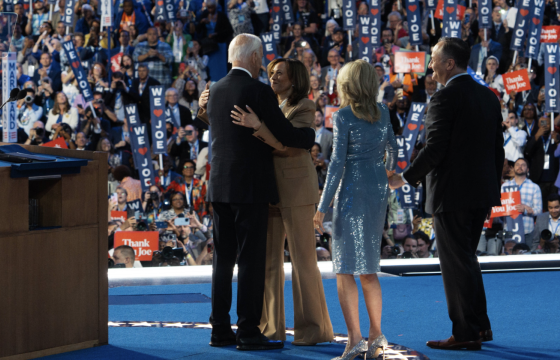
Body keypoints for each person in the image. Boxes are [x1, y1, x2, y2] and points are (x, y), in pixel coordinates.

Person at [197, 34, 315, 351]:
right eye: (261, 58)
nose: (263, 64)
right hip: (250, 188)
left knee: (222, 260)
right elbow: (287, 134)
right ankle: (248, 331)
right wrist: (310, 135)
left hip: (219, 186)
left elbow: (213, 127)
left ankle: (219, 330)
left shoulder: (214, 89)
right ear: (254, 58)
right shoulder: (258, 91)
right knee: (250, 260)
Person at [389, 37, 504, 351]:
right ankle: (479, 327)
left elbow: (434, 148)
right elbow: (498, 151)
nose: (430, 66)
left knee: (455, 263)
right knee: (466, 258)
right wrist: (490, 188)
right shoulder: (489, 96)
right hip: (481, 192)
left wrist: (403, 178)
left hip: (452, 194)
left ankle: (465, 332)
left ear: (449, 63)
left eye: (434, 59)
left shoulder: (444, 98)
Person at [212, 58, 333, 345]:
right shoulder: (262, 98)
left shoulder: (304, 105)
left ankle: (312, 330)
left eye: (281, 73)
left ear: (295, 79)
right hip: (265, 188)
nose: (274, 77)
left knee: (304, 261)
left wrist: (259, 127)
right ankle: (269, 327)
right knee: (266, 263)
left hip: (296, 187)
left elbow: (294, 143)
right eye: (272, 73)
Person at [312, 59, 398, 360]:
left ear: (347, 84)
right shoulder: (384, 111)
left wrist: (322, 207)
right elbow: (394, 149)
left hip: (351, 193)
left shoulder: (344, 116)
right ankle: (376, 336)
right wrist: (387, 173)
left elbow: (336, 165)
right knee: (369, 266)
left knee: (345, 268)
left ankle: (354, 341)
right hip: (377, 192)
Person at [501, 158, 543, 248]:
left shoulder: (534, 187)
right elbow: (500, 207)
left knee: (527, 259)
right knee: (509, 260)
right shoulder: (504, 186)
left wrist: (526, 209)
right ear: (513, 168)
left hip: (527, 230)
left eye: (523, 165)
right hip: (509, 229)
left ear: (527, 169)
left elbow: (539, 211)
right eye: (517, 164)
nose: (520, 166)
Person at [524, 116, 559, 210]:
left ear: (551, 124)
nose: (545, 126)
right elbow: (527, 152)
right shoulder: (534, 138)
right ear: (538, 125)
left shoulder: (555, 137)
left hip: (554, 180)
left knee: (553, 207)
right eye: (542, 123)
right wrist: (536, 136)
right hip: (538, 180)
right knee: (540, 208)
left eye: (547, 123)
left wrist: (557, 142)